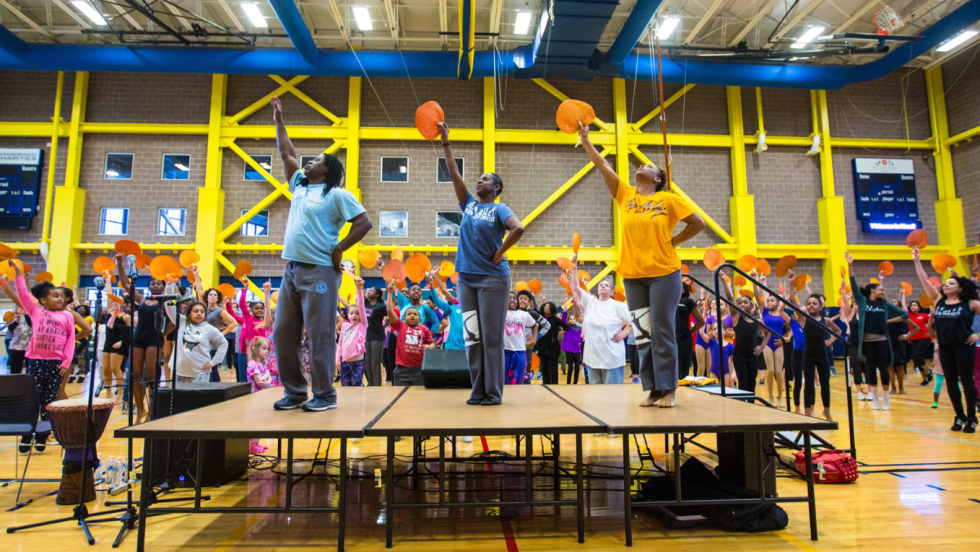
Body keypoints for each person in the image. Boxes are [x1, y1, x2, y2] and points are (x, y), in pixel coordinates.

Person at [578, 123, 704, 407]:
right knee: (643, 333)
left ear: (658, 178)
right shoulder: (625, 195)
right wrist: (586, 141)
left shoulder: (668, 199)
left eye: (648, 165)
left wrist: (673, 242)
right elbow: (602, 165)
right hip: (633, 275)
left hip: (664, 273)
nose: (642, 166)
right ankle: (653, 389)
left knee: (661, 329)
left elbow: (699, 222)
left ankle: (669, 388)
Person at [268, 96, 372, 412]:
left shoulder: (338, 194)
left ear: (327, 170)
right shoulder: (299, 186)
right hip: (292, 270)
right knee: (282, 333)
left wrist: (339, 248)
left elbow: (364, 222)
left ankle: (325, 395)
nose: (309, 161)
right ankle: (295, 392)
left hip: (321, 271)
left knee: (320, 335)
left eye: (316, 160)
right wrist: (279, 121)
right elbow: (287, 152)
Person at [438, 121, 524, 406]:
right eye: (480, 178)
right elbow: (453, 173)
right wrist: (445, 141)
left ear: (496, 187)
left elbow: (518, 228)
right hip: (466, 279)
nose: (479, 181)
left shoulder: (500, 208)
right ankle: (478, 390)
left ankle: (493, 393)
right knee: (473, 336)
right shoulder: (470, 205)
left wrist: (500, 252)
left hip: (493, 280)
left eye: (486, 179)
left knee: (490, 338)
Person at [4, 264, 77, 452]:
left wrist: (66, 362)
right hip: (36, 362)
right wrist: (19, 275)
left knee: (49, 401)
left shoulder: (67, 316)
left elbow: (70, 340)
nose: (60, 298)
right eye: (55, 295)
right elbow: (22, 296)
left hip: (56, 365)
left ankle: (43, 436)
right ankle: (27, 435)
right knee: (32, 400)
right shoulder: (36, 312)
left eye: (62, 296)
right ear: (43, 300)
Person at [912, 248, 980, 432]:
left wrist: (978, 334)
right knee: (950, 382)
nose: (946, 285)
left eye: (951, 283)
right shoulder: (938, 299)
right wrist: (917, 261)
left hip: (964, 346)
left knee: (967, 381)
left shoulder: (971, 303)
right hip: (945, 347)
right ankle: (959, 416)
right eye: (945, 283)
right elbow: (924, 280)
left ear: (960, 288)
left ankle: (972, 417)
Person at [846, 252, 912, 411]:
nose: (882, 291)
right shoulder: (862, 301)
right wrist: (850, 265)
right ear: (872, 290)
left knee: (883, 368)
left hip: (882, 341)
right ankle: (875, 398)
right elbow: (853, 283)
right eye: (880, 288)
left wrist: (888, 321)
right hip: (867, 342)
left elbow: (904, 314)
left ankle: (886, 399)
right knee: (869, 368)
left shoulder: (884, 304)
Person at [115, 253, 164, 423]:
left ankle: (151, 411)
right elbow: (126, 285)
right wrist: (120, 264)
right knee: (135, 376)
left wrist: (163, 334)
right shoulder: (143, 299)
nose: (156, 285)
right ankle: (140, 410)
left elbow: (173, 321)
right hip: (138, 337)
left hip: (154, 338)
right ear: (149, 285)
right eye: (153, 283)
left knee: (151, 377)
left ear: (163, 287)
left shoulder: (165, 301)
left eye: (159, 283)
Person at [568, 258, 633, 387]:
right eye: (600, 285)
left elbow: (633, 323)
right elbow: (576, 287)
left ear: (612, 292)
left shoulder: (618, 306)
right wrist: (574, 267)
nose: (603, 286)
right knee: (595, 396)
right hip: (593, 357)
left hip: (612, 357)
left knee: (612, 395)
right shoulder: (591, 302)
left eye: (606, 285)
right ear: (597, 291)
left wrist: (624, 333)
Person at [191, 267, 239, 382]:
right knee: (201, 368)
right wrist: (196, 274)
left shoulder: (219, 311)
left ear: (218, 298)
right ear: (207, 297)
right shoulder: (202, 308)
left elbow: (234, 323)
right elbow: (199, 290)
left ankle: (217, 391)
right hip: (200, 341)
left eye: (215, 295)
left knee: (212, 368)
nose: (212, 296)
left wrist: (221, 334)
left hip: (212, 344)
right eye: (210, 294)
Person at [790, 294, 834, 421]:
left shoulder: (825, 320)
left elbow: (838, 331)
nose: (811, 305)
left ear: (821, 307)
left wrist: (829, 341)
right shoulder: (804, 319)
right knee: (809, 384)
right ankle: (807, 411)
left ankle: (827, 410)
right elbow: (793, 300)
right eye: (808, 303)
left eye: (814, 303)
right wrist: (792, 284)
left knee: (825, 384)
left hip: (822, 355)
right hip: (808, 355)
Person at [385, 280, 435, 385]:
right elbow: (390, 311)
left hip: (419, 369)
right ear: (404, 318)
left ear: (420, 318)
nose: (412, 315)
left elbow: (431, 343)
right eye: (409, 314)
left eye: (415, 314)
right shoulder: (401, 326)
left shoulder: (424, 329)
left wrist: (429, 346)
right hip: (402, 370)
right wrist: (389, 293)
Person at [722, 277, 765, 393]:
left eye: (745, 302)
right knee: (743, 383)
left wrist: (762, 347)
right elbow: (730, 298)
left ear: (752, 306)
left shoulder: (757, 320)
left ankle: (751, 407)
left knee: (752, 384)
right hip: (739, 354)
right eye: (739, 303)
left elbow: (769, 332)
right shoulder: (736, 318)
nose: (742, 304)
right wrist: (723, 280)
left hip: (753, 355)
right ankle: (742, 408)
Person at [247, 336, 280, 453]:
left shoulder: (263, 364)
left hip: (261, 398)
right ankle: (251, 446)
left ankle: (256, 444)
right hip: (254, 399)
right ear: (255, 349)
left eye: (268, 349)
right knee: (254, 423)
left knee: (260, 422)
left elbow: (268, 380)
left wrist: (266, 378)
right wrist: (267, 376)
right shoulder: (253, 365)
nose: (266, 351)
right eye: (264, 348)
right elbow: (260, 382)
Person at [336, 277, 368, 386]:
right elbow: (340, 344)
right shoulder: (344, 325)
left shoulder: (362, 325)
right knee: (345, 389)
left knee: (356, 388)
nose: (354, 316)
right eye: (352, 313)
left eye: (357, 313)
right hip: (345, 363)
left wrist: (359, 289)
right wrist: (337, 359)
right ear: (347, 315)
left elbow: (362, 306)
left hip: (357, 363)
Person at [504, 292, 537, 385]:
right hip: (505, 352)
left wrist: (534, 340)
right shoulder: (501, 313)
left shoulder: (523, 314)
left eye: (514, 298)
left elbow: (534, 326)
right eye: (509, 298)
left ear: (517, 302)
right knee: (505, 381)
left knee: (519, 381)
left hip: (521, 352)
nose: (512, 300)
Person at [101, 299, 130, 405]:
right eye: (114, 301)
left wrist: (122, 342)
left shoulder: (126, 317)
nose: (115, 302)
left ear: (125, 304)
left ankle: (120, 394)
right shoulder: (110, 313)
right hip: (108, 343)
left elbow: (129, 332)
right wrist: (108, 281)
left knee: (115, 368)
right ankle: (108, 393)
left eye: (119, 301)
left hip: (119, 343)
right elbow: (109, 292)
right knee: (106, 369)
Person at [676, 281, 705, 379]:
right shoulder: (666, 301)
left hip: (684, 339)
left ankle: (683, 393)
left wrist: (689, 333)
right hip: (669, 339)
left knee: (684, 370)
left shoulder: (688, 301)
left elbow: (701, 321)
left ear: (683, 290)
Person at [534, 301, 568, 385]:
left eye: (549, 307)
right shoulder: (540, 318)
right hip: (542, 346)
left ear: (552, 309)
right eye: (545, 306)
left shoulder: (555, 319)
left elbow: (567, 327)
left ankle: (555, 384)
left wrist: (557, 334)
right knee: (544, 367)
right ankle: (546, 384)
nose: (547, 308)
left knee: (553, 367)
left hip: (553, 347)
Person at [902, 297, 933, 385]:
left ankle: (928, 371)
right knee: (918, 359)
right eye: (911, 305)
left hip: (924, 337)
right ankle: (925, 379)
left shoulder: (923, 315)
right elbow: (904, 305)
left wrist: (931, 332)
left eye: (915, 305)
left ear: (919, 307)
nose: (912, 307)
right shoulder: (908, 315)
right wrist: (903, 293)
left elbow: (932, 322)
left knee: (917, 354)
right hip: (913, 338)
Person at [363, 286, 387, 386]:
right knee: (367, 364)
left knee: (375, 364)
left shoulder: (381, 306)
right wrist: (355, 275)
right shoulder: (366, 303)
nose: (369, 292)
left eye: (372, 290)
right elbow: (359, 290)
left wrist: (383, 327)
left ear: (377, 295)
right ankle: (370, 384)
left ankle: (376, 387)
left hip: (377, 337)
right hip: (368, 336)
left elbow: (390, 317)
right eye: (369, 290)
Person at [561, 309, 584, 384]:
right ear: (568, 320)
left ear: (576, 320)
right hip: (569, 350)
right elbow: (563, 319)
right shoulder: (567, 327)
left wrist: (580, 342)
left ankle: (575, 382)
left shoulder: (579, 327)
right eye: (570, 319)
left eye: (574, 318)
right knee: (570, 367)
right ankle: (568, 382)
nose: (572, 320)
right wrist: (565, 310)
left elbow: (581, 337)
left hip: (577, 350)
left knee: (577, 367)